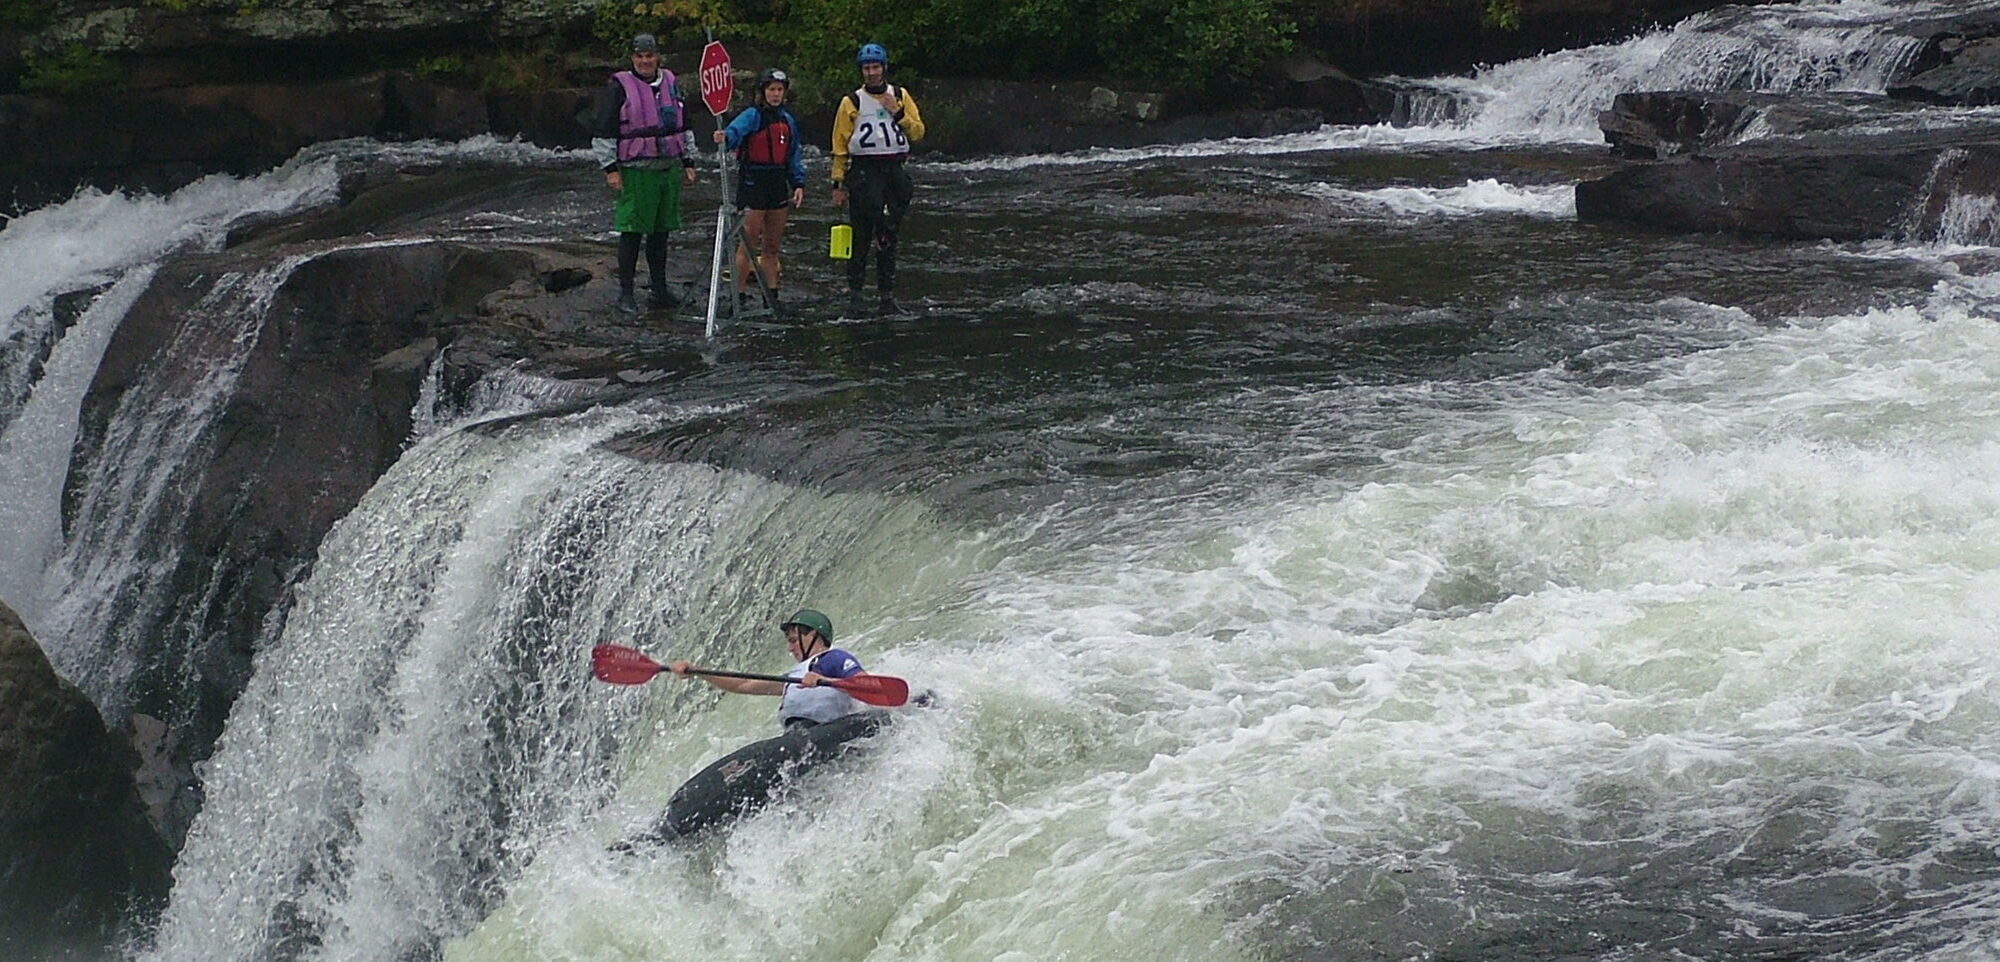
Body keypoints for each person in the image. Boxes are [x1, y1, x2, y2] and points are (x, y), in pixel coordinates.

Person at [591, 33, 698, 315]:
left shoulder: (671, 83)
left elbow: (683, 123)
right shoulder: (619, 87)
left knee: (662, 232)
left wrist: (688, 160)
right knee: (633, 232)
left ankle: (659, 288)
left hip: (667, 168)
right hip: (636, 170)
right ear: (633, 58)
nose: (644, 61)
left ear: (657, 57)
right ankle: (626, 293)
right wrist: (610, 168)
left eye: (649, 56)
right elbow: (604, 128)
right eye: (639, 56)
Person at [830, 42, 925, 317]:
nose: (871, 73)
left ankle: (887, 296)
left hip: (893, 171)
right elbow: (839, 145)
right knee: (861, 234)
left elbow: (918, 133)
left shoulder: (900, 95)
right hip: (863, 172)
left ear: (884, 68)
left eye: (875, 67)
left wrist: (898, 113)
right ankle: (856, 297)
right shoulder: (852, 101)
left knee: (889, 234)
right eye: (866, 68)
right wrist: (838, 183)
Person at [714, 68, 808, 319]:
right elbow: (734, 134)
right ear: (763, 92)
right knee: (747, 243)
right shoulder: (752, 116)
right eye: (772, 90)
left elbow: (793, 154)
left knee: (772, 246)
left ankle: (771, 297)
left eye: (779, 90)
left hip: (777, 182)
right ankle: (738, 296)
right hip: (753, 181)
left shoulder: (787, 121)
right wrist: (725, 137)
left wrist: (798, 183)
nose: (776, 95)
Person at [669, 608, 865, 728]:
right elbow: (743, 685)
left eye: (793, 640)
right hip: (796, 736)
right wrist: (697, 671)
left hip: (827, 731)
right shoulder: (793, 676)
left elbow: (864, 685)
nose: (790, 648)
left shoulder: (835, 658)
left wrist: (826, 682)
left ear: (812, 635)